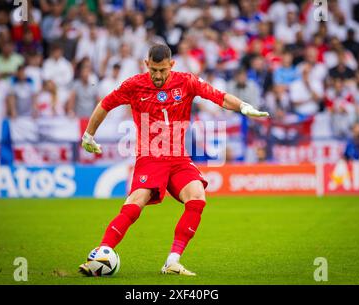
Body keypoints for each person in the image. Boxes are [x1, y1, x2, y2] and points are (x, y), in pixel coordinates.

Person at [78, 44, 268, 276]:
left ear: (172, 65)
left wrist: (243, 107)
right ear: (146, 64)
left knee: (197, 196)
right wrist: (89, 134)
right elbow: (104, 105)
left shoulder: (186, 81)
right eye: (154, 70)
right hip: (151, 157)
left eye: (163, 70)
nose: (158, 76)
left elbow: (218, 97)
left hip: (178, 158)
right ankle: (101, 253)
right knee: (137, 200)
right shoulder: (133, 85)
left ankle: (172, 261)